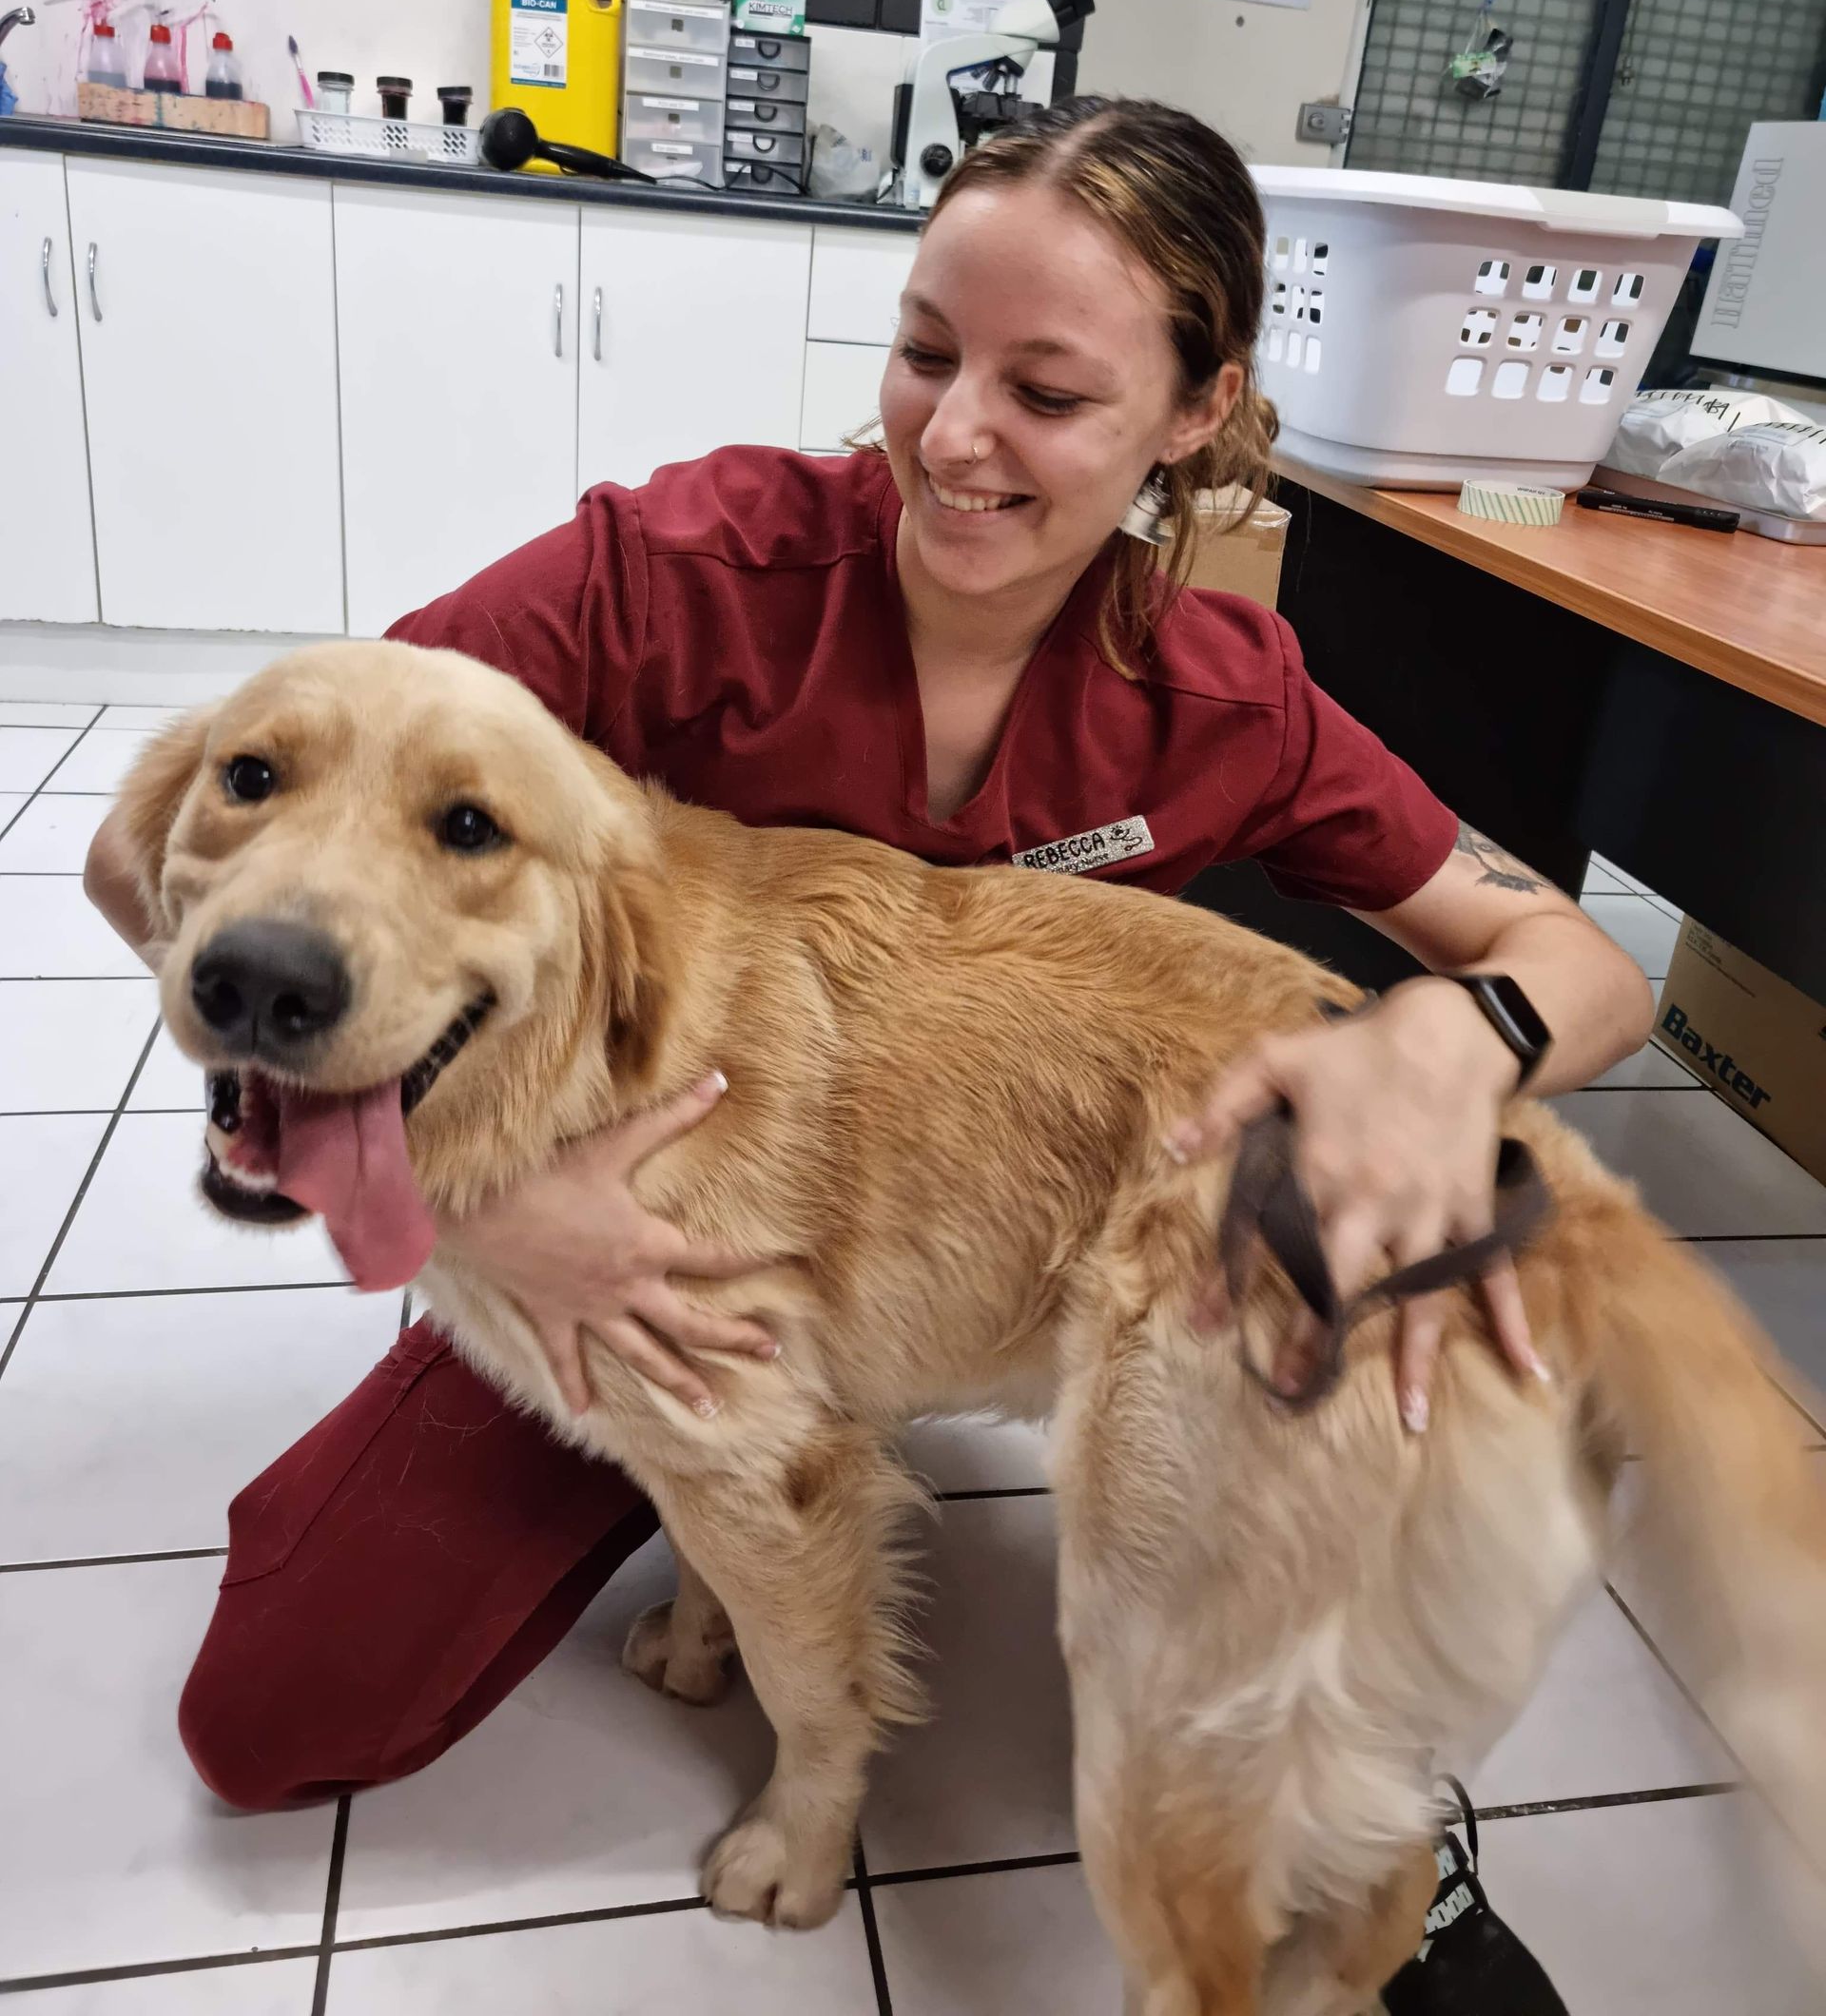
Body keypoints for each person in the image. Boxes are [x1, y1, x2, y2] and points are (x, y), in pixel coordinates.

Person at [86, 97, 1652, 1814]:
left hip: (952, 1253)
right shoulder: (672, 571)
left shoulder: (1221, 691)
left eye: (1048, 395)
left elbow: (1579, 963)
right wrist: (497, 1220)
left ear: (1196, 415)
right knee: (283, 1716)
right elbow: (277, 818)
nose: (956, 437)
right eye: (924, 354)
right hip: (593, 1249)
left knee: (1251, 1676)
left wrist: (1453, 1044)